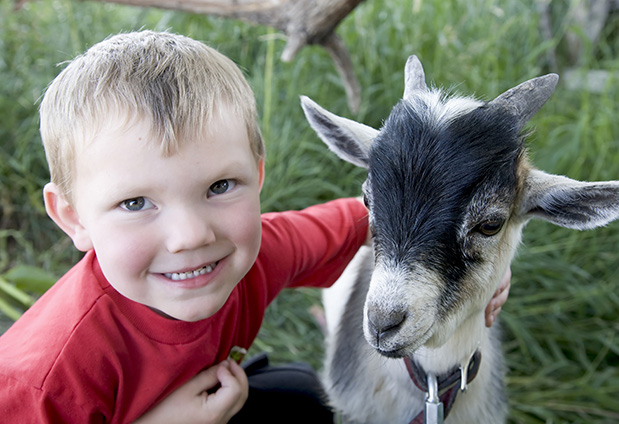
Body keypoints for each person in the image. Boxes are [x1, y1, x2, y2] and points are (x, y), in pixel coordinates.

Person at [0, 31, 510, 423]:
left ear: (257, 175)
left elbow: (366, 219)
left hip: (212, 392)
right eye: (136, 202)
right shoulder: (43, 381)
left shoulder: (253, 254)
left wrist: (478, 250)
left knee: (303, 397)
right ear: (72, 217)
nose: (192, 236)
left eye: (220, 187)